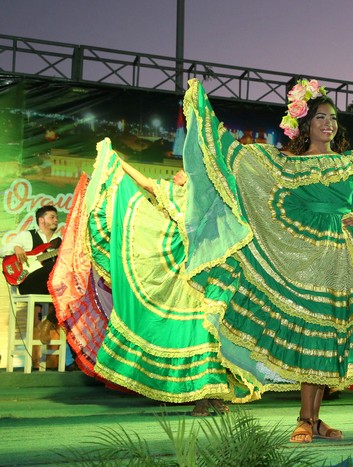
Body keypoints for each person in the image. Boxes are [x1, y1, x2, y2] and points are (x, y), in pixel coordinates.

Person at [180, 78, 353, 443]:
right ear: (305, 125)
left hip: (348, 255)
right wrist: (208, 122)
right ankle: (306, 419)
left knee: (332, 335)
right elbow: (244, 166)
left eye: (332, 118)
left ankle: (314, 419)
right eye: (320, 118)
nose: (328, 124)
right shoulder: (289, 165)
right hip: (307, 255)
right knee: (313, 330)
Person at [51, 139, 257, 414]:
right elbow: (150, 187)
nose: (179, 173)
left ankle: (212, 396)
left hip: (210, 278)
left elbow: (153, 187)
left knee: (209, 335)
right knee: (199, 335)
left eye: (186, 169)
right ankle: (204, 397)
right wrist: (118, 163)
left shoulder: (203, 198)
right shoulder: (184, 197)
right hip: (189, 279)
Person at [2, 205, 63, 368]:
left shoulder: (59, 242)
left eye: (56, 217)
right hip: (28, 282)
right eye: (52, 217)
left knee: (68, 281)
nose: (56, 220)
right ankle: (48, 323)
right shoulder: (27, 236)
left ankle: (49, 322)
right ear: (41, 220)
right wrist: (16, 248)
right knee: (56, 269)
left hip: (49, 286)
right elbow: (3, 250)